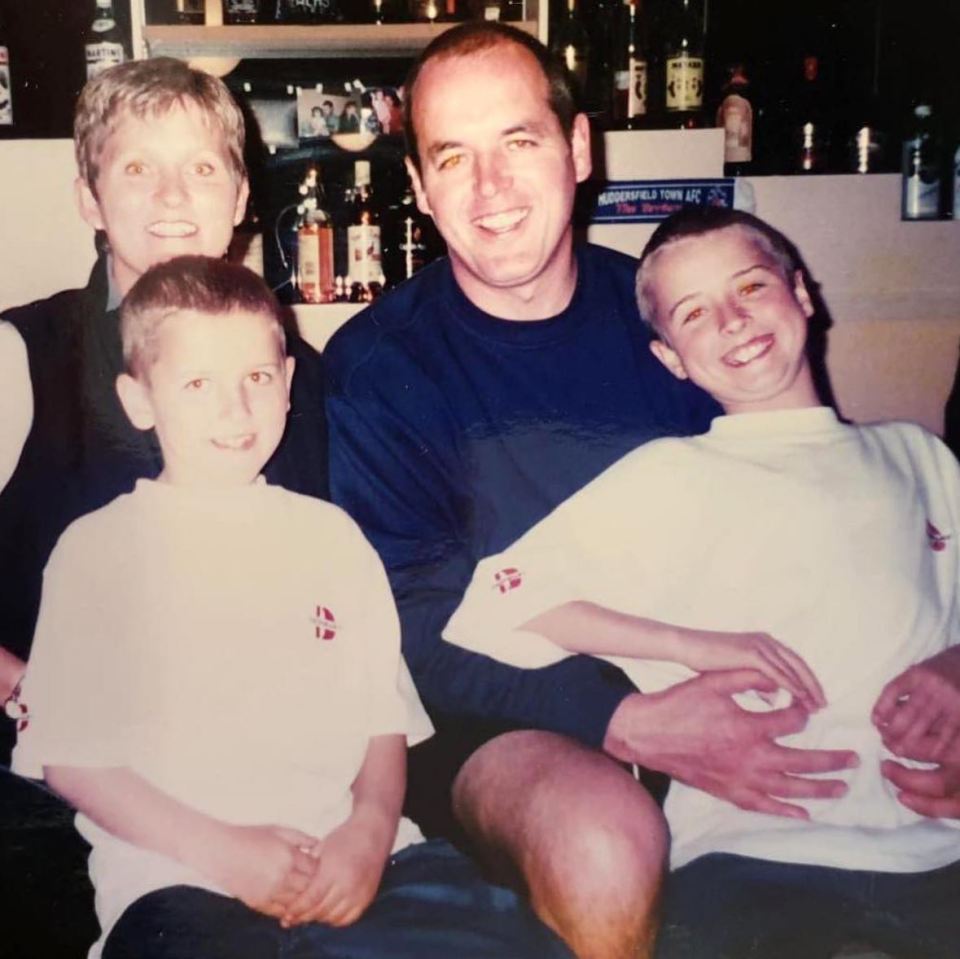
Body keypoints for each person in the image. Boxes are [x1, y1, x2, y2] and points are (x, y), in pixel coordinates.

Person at [323, 22, 858, 959]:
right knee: (603, 844)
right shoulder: (376, 368)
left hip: (708, 665)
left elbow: (815, 493)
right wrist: (621, 718)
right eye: (453, 157)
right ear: (418, 188)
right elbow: (410, 620)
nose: (489, 190)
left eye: (518, 142)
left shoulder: (676, 314)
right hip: (494, 718)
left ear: (577, 151)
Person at [11, 255, 573, 959]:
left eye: (255, 378)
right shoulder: (96, 551)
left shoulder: (332, 538)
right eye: (197, 384)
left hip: (366, 861)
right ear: (139, 399)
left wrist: (369, 834)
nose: (235, 409)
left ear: (287, 384)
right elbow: (71, 759)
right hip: (179, 880)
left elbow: (382, 721)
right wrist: (227, 853)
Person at [444, 206, 960, 958]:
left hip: (937, 849)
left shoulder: (919, 456)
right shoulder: (671, 475)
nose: (733, 321)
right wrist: (695, 644)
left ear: (802, 294)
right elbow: (496, 604)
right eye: (695, 313)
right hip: (755, 860)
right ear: (672, 360)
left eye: (750, 287)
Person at [0, 57, 326, 957]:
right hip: (44, 794)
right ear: (89, 198)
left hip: (255, 776)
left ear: (240, 200)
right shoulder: (22, 355)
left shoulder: (301, 380)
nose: (175, 195)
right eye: (139, 167)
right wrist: (26, 687)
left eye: (203, 167)